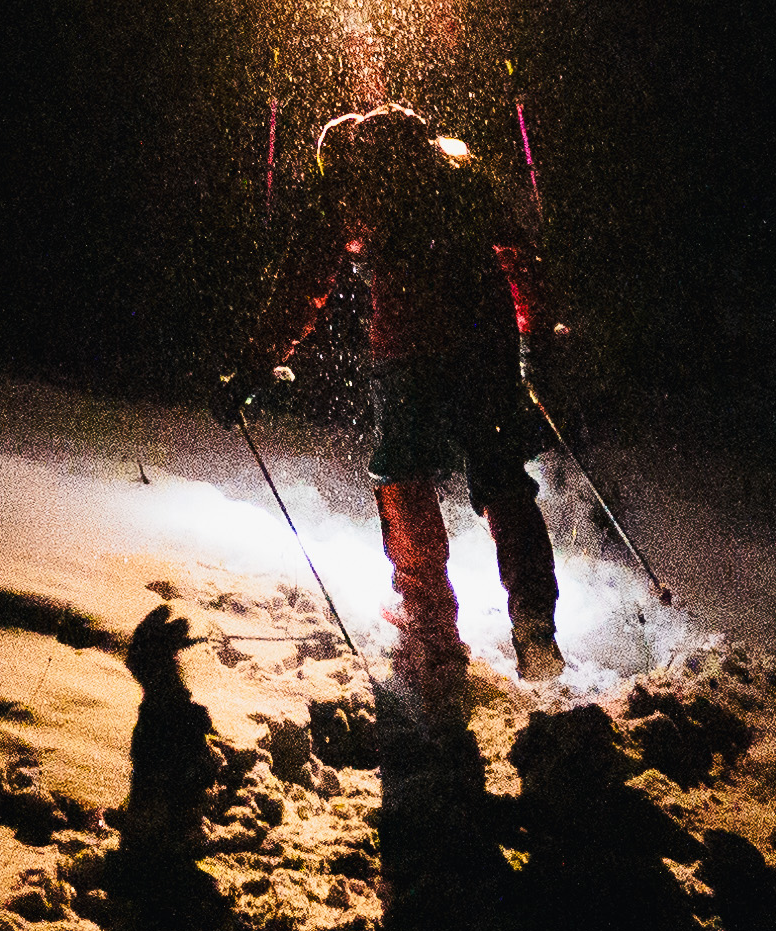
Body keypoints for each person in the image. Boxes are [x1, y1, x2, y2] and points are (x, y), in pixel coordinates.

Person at [222, 104, 563, 702]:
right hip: (485, 340)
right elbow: (517, 251)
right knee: (501, 473)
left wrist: (255, 363)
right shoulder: (455, 167)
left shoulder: (355, 178)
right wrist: (536, 332)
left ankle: (430, 626)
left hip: (407, 345)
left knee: (403, 475)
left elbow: (305, 279)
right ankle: (534, 620)